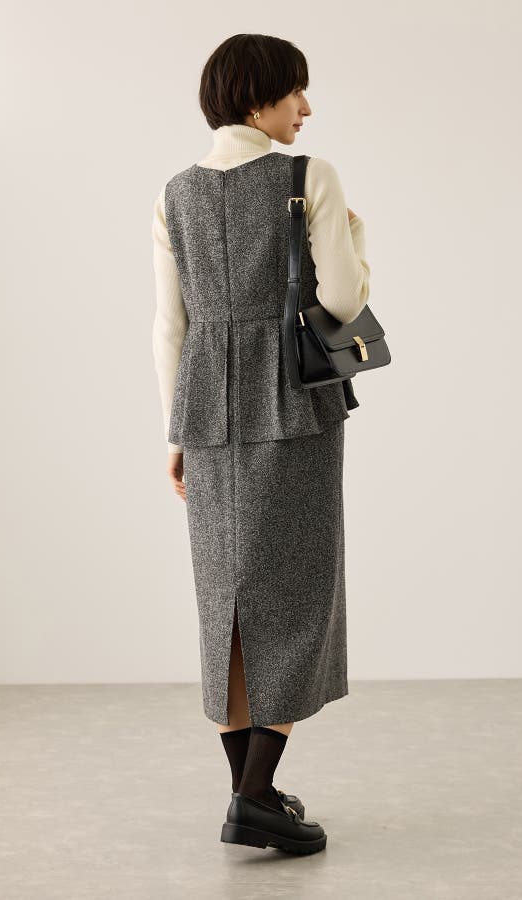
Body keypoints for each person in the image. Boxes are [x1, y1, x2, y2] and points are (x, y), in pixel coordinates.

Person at [151, 33, 370, 855]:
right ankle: (252, 799)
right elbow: (342, 302)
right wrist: (355, 240)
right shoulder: (308, 177)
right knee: (297, 592)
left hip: (205, 412)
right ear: (256, 99)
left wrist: (175, 430)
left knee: (228, 600)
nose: (305, 109)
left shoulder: (173, 193)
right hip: (294, 407)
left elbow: (168, 326)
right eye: (294, 93)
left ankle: (258, 794)